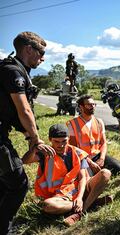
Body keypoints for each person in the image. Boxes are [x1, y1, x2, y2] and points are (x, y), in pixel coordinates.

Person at [0, 31, 55, 234]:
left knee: (5, 182)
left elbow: (12, 113)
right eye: (40, 52)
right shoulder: (13, 72)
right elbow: (23, 110)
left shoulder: (9, 68)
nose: (43, 57)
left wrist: (28, 136)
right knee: (18, 183)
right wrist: (35, 139)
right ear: (28, 49)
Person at [22, 124, 112, 226]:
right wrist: (33, 149)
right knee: (48, 205)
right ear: (50, 140)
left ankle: (79, 213)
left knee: (106, 173)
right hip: (60, 197)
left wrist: (79, 197)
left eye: (64, 141)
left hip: (80, 189)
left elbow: (82, 177)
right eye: (56, 141)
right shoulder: (44, 153)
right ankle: (90, 203)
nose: (61, 145)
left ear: (68, 139)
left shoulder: (76, 152)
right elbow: (24, 161)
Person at [67, 95, 120, 175]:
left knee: (119, 169)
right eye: (89, 105)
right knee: (84, 175)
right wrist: (89, 162)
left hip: (97, 155)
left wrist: (102, 158)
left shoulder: (99, 122)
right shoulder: (72, 124)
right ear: (81, 107)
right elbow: (73, 148)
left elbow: (103, 143)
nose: (92, 107)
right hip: (82, 158)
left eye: (94, 104)